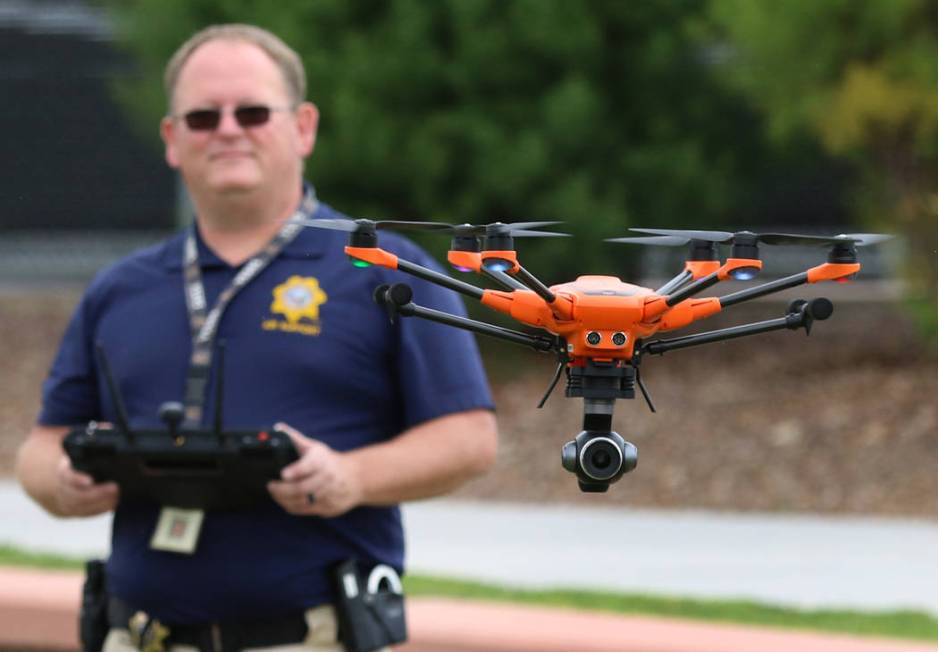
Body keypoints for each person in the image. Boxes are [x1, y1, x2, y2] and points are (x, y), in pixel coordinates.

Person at [15, 23, 497, 652]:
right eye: (201, 116)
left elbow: (470, 437)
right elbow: (41, 447)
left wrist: (350, 475)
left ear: (303, 127)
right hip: (136, 634)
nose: (227, 130)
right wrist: (62, 480)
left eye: (251, 111)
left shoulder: (386, 272)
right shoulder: (120, 288)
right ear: (171, 138)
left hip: (309, 636)